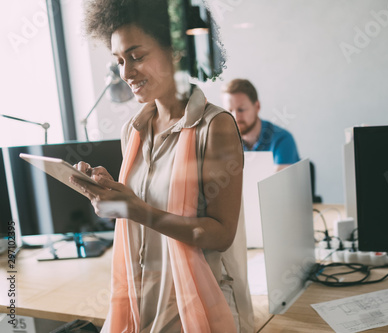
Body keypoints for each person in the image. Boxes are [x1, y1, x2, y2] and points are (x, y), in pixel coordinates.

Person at [70, 1, 254, 332]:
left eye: (137, 56)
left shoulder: (216, 128)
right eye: (120, 61)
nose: (126, 73)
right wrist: (112, 193)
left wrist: (137, 209)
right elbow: (140, 210)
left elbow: (221, 234)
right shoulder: (134, 130)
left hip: (201, 304)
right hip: (147, 301)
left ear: (176, 50)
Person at [221, 79, 300, 171]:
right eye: (229, 111)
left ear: (257, 107)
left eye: (241, 110)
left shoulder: (282, 139)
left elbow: (279, 184)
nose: (235, 117)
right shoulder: (223, 142)